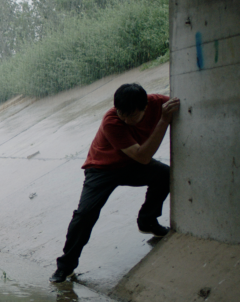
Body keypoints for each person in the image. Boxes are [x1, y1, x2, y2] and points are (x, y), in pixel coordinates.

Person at [50, 83, 180, 283]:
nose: (126, 120)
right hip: (102, 169)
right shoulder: (111, 121)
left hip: (131, 165)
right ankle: (65, 267)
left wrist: (166, 115)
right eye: (122, 114)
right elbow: (143, 156)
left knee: (165, 175)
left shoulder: (159, 104)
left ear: (145, 107)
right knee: (85, 214)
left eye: (132, 115)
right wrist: (164, 121)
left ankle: (147, 221)